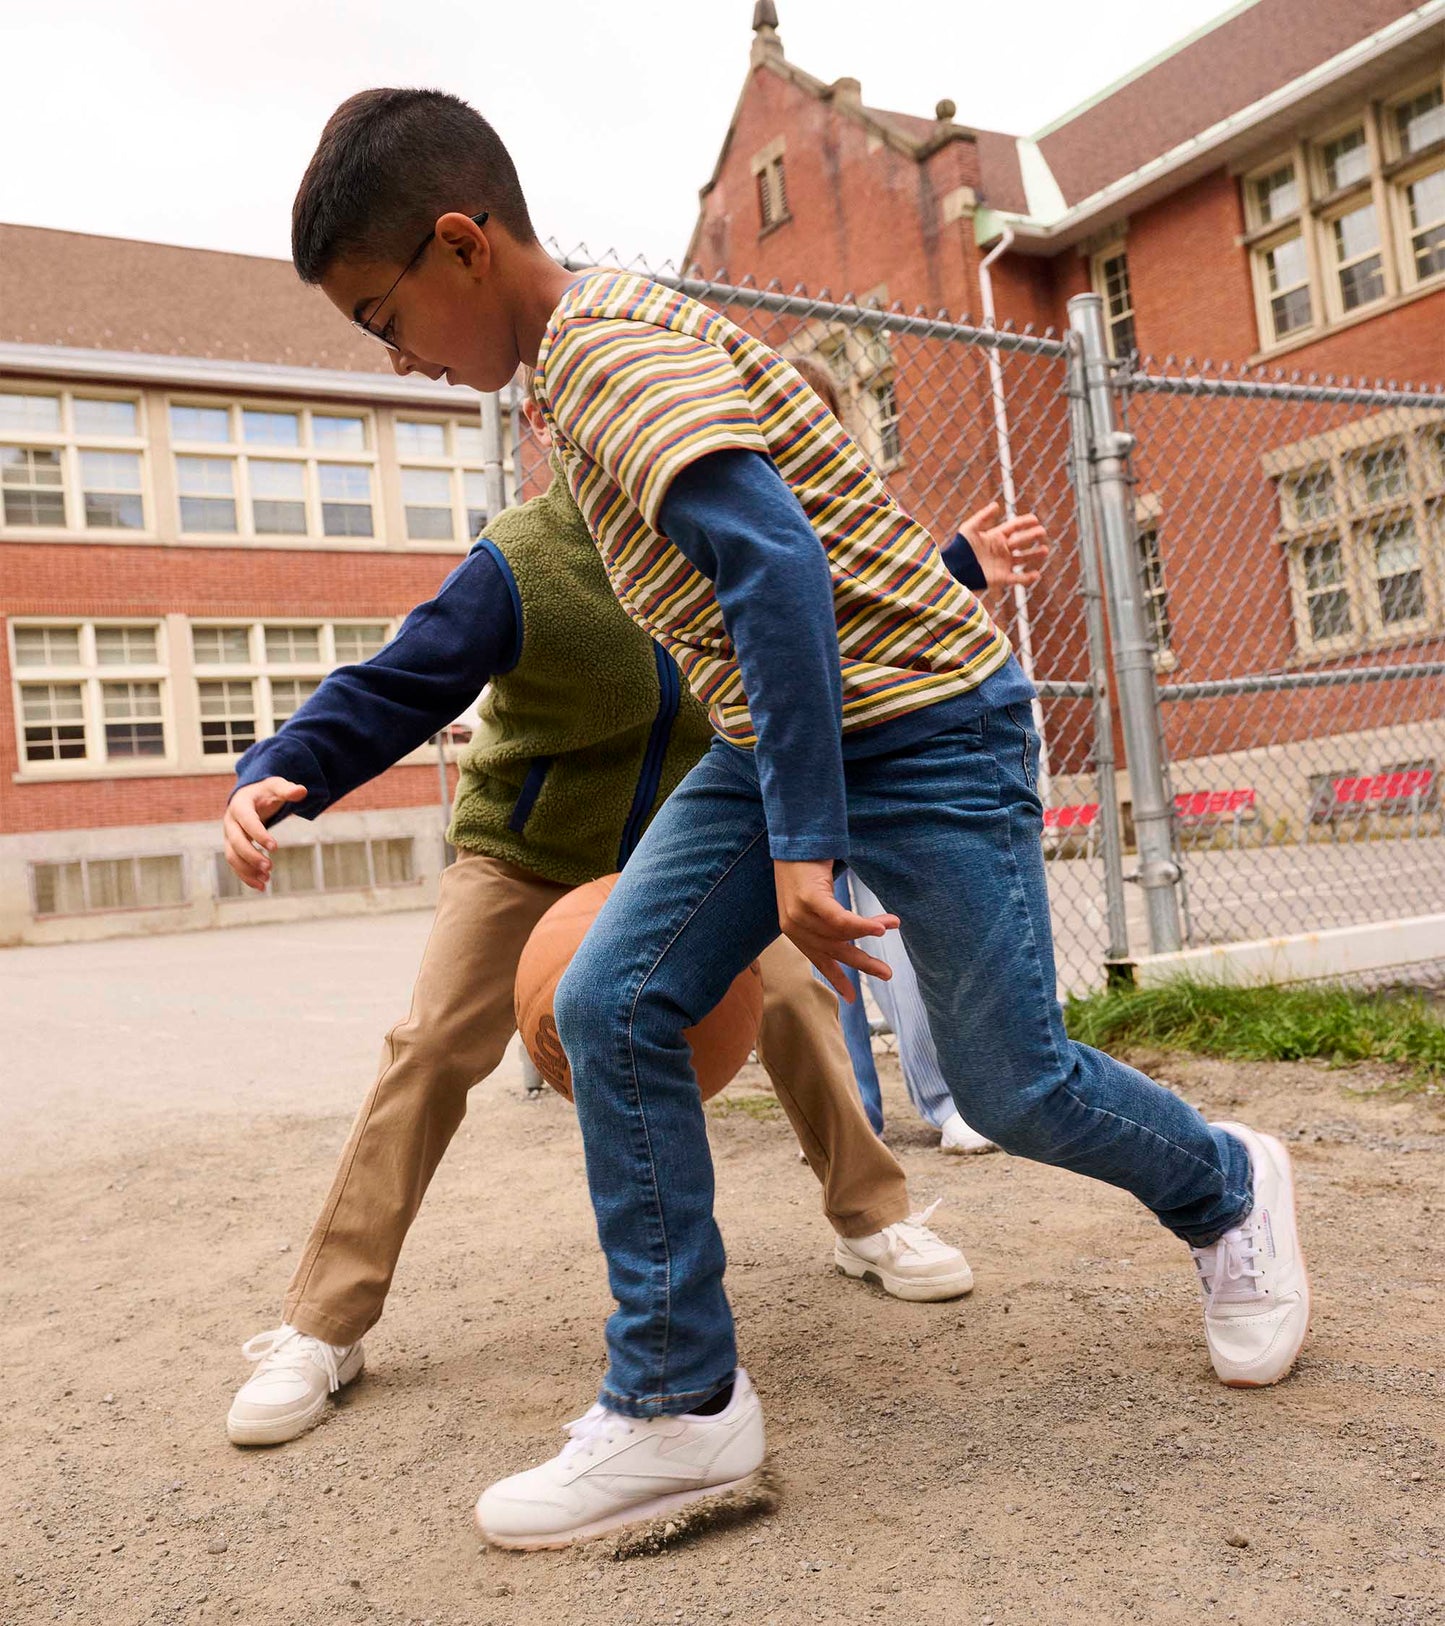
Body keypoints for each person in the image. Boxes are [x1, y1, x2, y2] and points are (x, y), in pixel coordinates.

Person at [289, 87, 1310, 1550]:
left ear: (462, 245)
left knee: (1013, 1083)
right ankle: (677, 1407)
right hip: (790, 730)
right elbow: (798, 527)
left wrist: (799, 846)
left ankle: (1226, 1186)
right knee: (615, 1001)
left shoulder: (596, 351)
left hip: (933, 727)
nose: (395, 354)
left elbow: (773, 566)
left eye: (385, 313)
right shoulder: (591, 352)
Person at [222, 396, 974, 1447]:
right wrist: (281, 771)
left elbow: (850, 621)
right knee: (433, 1043)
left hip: (687, 840)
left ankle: (872, 1217)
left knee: (796, 991)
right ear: (557, 437)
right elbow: (397, 685)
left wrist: (961, 568)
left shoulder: (735, 522)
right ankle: (322, 1325)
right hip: (528, 850)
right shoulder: (523, 559)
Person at [788, 357, 1047, 1155]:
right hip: (796, 765)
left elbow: (878, 605)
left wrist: (959, 568)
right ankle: (850, 1115)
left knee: (898, 933)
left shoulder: (848, 505)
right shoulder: (732, 506)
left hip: (880, 750)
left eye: (820, 416)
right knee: (816, 944)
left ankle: (946, 1098)